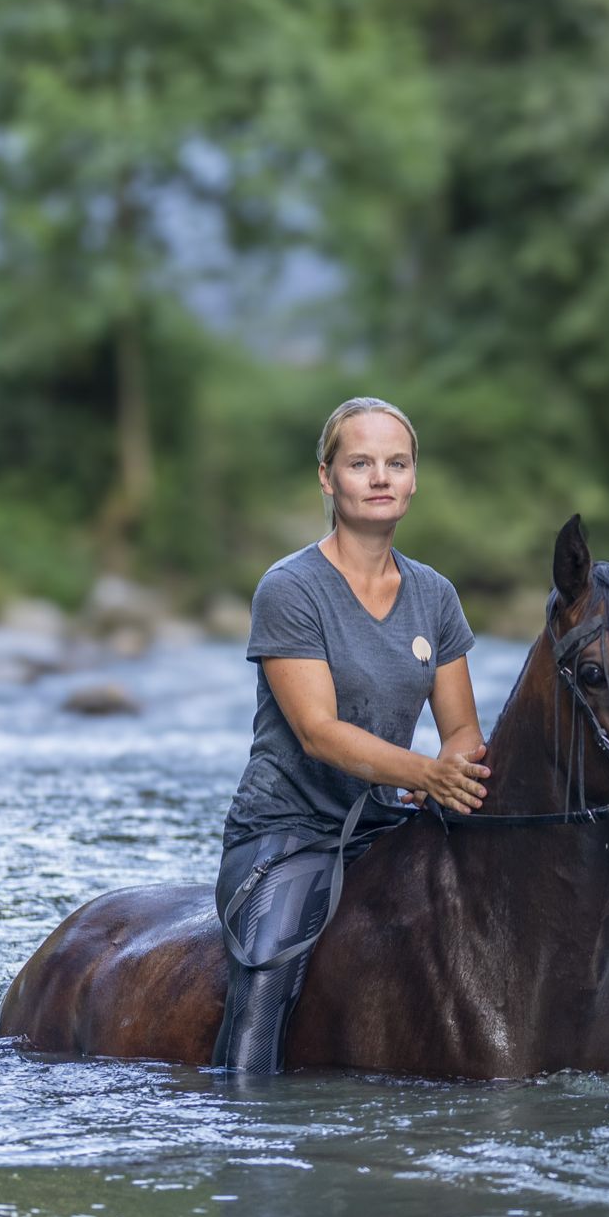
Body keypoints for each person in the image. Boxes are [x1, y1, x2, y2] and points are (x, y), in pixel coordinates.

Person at [212, 397, 489, 1076]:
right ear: (327, 478)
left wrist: (448, 778)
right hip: (289, 830)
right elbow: (318, 733)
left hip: (386, 826)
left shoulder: (436, 596)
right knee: (268, 976)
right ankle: (242, 1115)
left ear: (414, 478)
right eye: (359, 463)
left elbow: (462, 732)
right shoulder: (291, 588)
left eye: (396, 463)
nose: (379, 477)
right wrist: (426, 775)